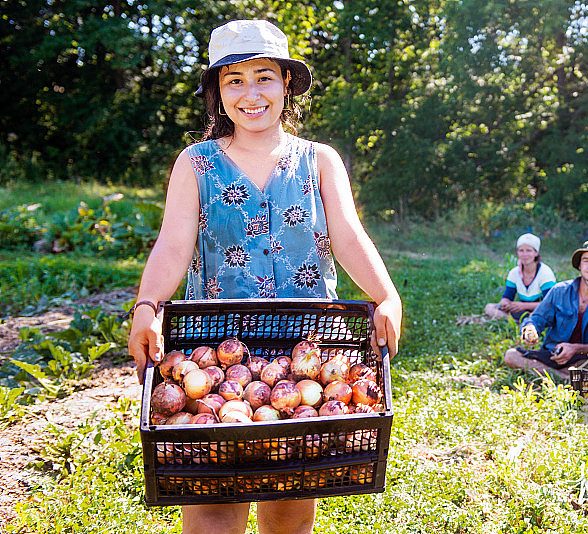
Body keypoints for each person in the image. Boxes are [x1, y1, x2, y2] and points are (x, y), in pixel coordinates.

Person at [126, 19, 402, 534]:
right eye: (234, 80)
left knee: (291, 495)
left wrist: (385, 295)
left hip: (306, 348)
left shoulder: (319, 160)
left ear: (287, 85)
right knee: (212, 498)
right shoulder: (197, 163)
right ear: (217, 93)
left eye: (264, 76)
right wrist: (146, 304)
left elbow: (347, 235)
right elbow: (173, 244)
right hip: (215, 344)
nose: (250, 93)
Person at [503, 240, 588, 381]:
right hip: (553, 355)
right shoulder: (560, 290)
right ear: (579, 265)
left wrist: (575, 349)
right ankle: (564, 378)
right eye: (585, 260)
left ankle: (550, 377)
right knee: (511, 355)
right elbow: (537, 318)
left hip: (583, 357)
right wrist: (529, 329)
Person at [484, 233, 557, 322]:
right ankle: (517, 322)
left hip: (541, 311)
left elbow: (550, 304)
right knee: (489, 307)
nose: (524, 254)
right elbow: (507, 296)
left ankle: (522, 322)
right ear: (517, 252)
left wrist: (523, 305)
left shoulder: (545, 273)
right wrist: (505, 303)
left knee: (547, 313)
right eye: (521, 250)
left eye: (529, 250)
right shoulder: (514, 273)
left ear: (536, 253)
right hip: (522, 311)